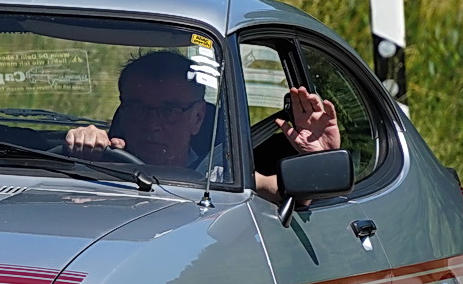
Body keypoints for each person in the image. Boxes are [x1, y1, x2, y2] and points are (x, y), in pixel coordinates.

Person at [64, 50, 338, 197]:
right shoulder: (97, 163)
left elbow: (281, 191)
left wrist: (319, 162)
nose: (152, 124)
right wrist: (82, 149)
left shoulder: (219, 175)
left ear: (197, 118)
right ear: (122, 109)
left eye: (170, 110)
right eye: (138, 108)